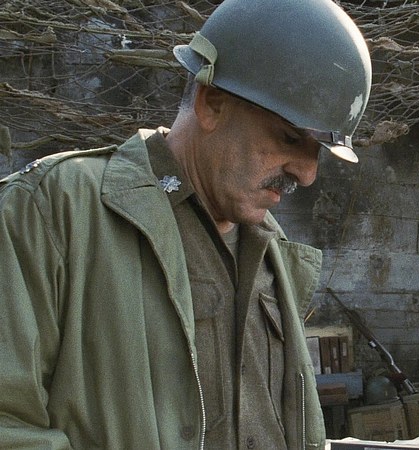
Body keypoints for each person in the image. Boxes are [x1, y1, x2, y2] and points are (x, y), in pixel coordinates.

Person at [0, 0, 371, 448]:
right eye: (291, 138)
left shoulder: (271, 249)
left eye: (319, 153)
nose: (307, 174)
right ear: (211, 103)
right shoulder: (52, 208)